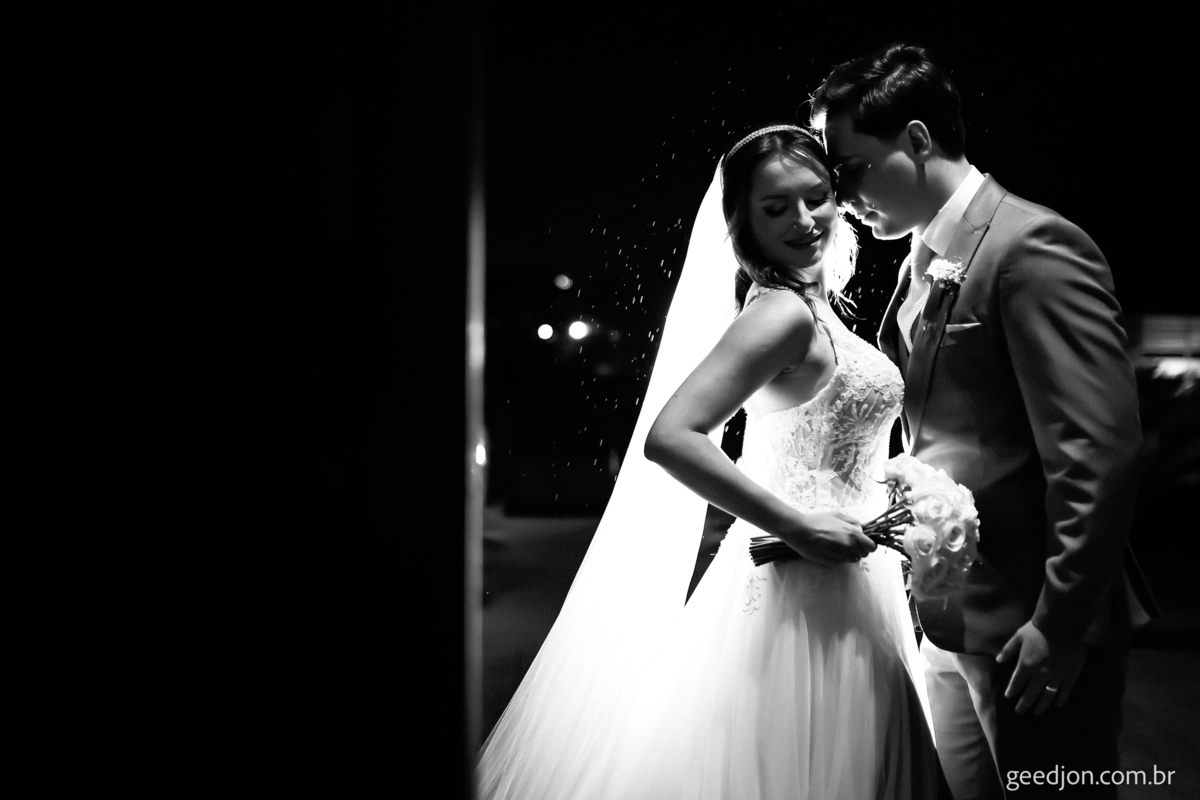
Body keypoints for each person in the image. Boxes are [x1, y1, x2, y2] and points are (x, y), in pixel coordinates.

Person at [478, 124, 945, 799]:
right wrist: (795, 525)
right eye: (776, 208)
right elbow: (672, 435)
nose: (803, 220)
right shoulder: (782, 314)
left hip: (846, 580)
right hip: (801, 592)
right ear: (745, 224)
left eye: (815, 197)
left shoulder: (811, 309)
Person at [812, 43, 1146, 799]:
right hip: (952, 619)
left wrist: (1060, 623)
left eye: (852, 168)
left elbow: (1096, 454)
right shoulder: (922, 257)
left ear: (918, 139)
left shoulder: (1031, 247)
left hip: (1032, 625)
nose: (842, 195)